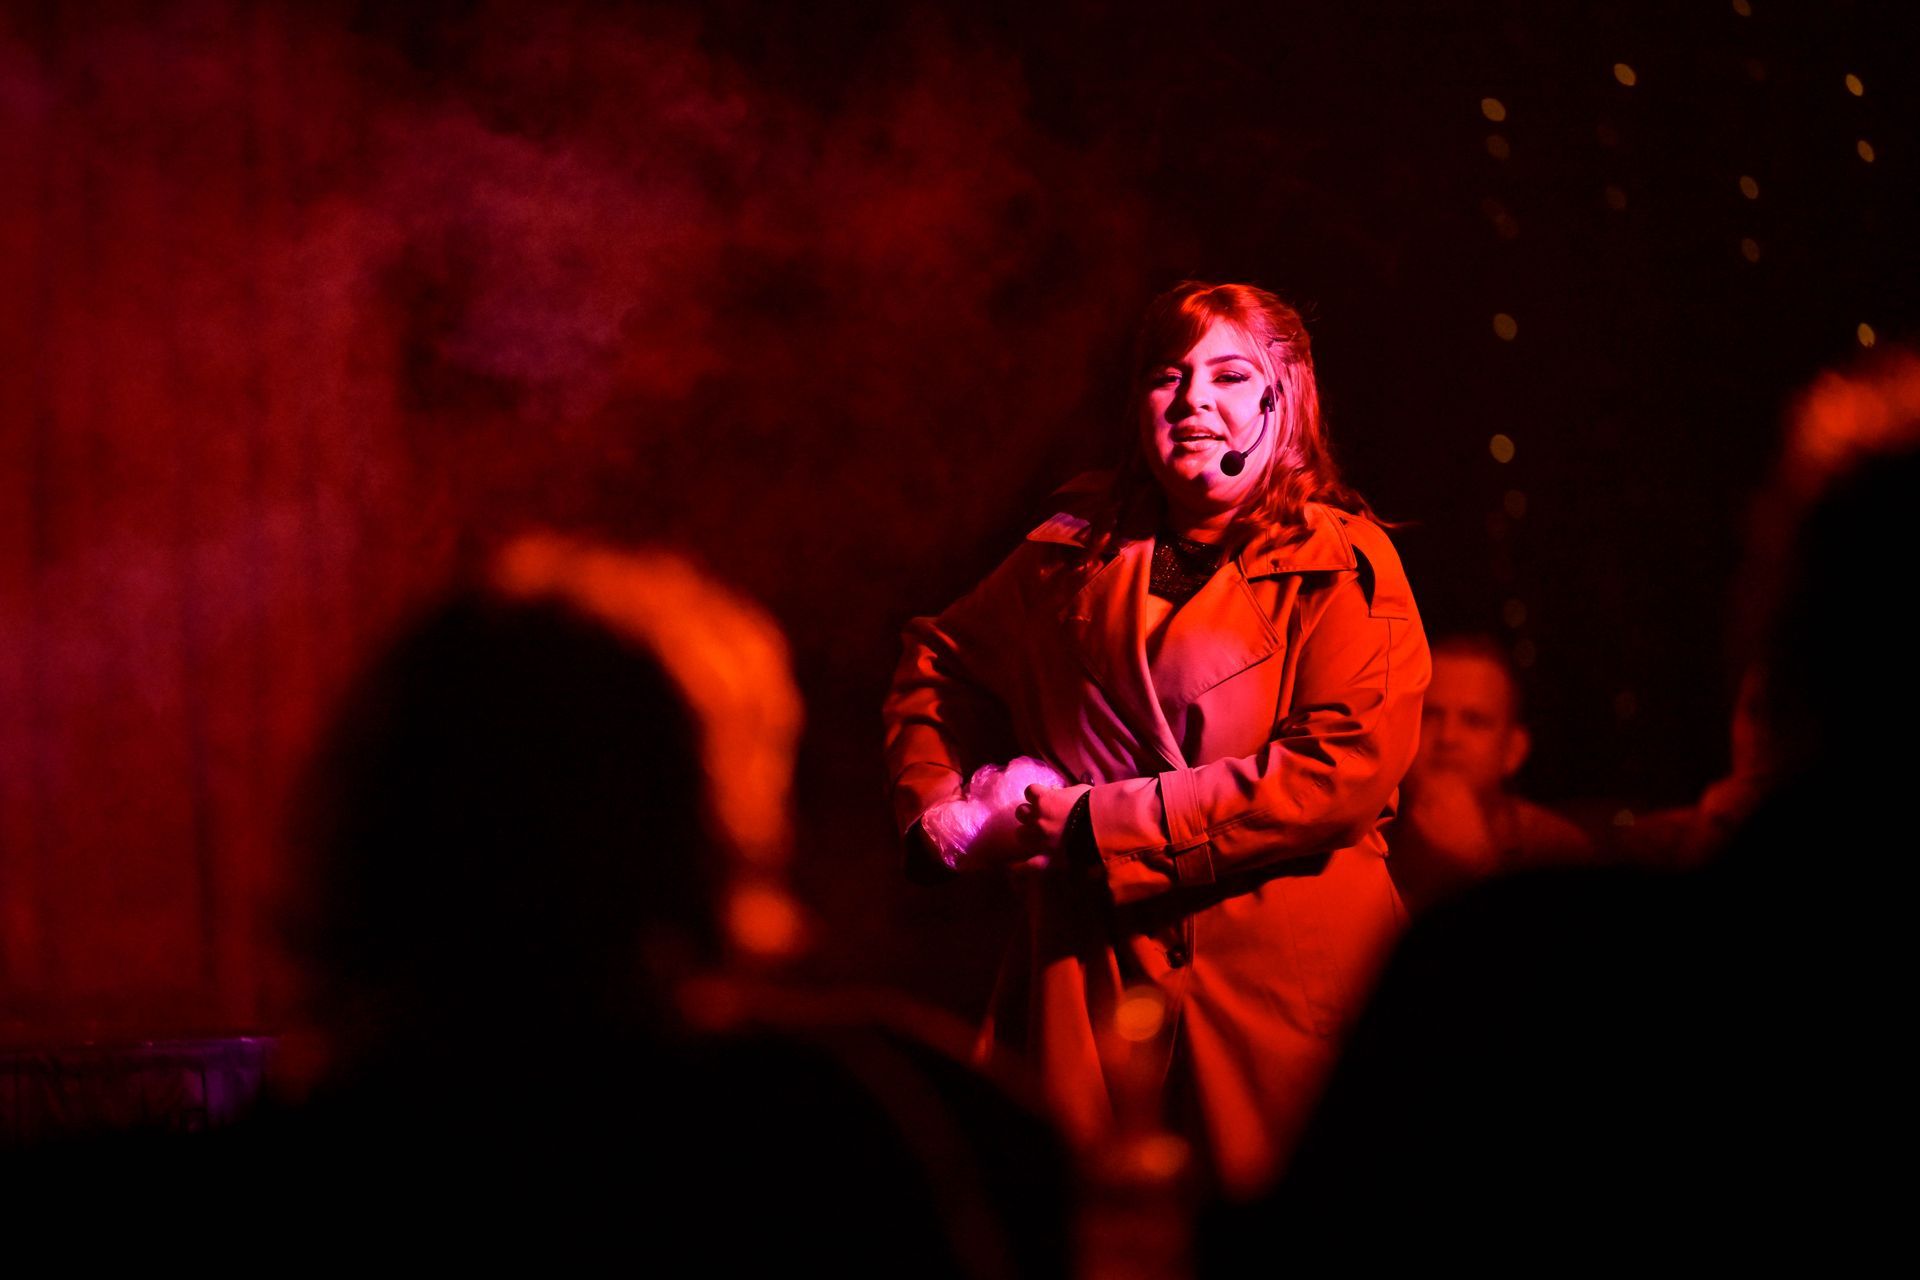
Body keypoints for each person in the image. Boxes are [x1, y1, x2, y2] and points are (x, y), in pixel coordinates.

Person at [883, 280, 1430, 1199]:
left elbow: (1339, 772)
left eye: (1227, 374)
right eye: (1167, 376)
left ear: (1283, 399)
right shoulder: (1067, 552)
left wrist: (1099, 822)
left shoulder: (1343, 563)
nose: (1191, 403)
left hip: (1282, 999)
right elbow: (939, 658)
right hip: (1093, 981)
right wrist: (939, 809)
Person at [1387, 633, 1593, 913]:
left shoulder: (1555, 850)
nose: (1448, 737)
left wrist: (1479, 865)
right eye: (1430, 715)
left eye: (1474, 721)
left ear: (1513, 750)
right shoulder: (1355, 836)